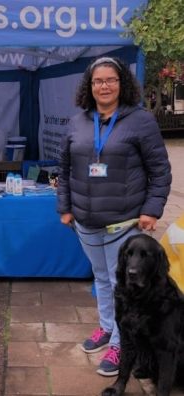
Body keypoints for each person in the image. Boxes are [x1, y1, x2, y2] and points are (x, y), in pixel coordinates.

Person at [57, 56, 171, 377]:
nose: (104, 86)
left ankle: (124, 344)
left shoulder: (141, 121)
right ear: (89, 87)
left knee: (125, 284)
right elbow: (64, 170)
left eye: (111, 80)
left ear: (122, 84)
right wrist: (65, 208)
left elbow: (160, 171)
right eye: (97, 81)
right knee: (102, 279)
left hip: (126, 224)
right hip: (86, 222)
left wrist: (151, 210)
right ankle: (107, 327)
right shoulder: (78, 122)